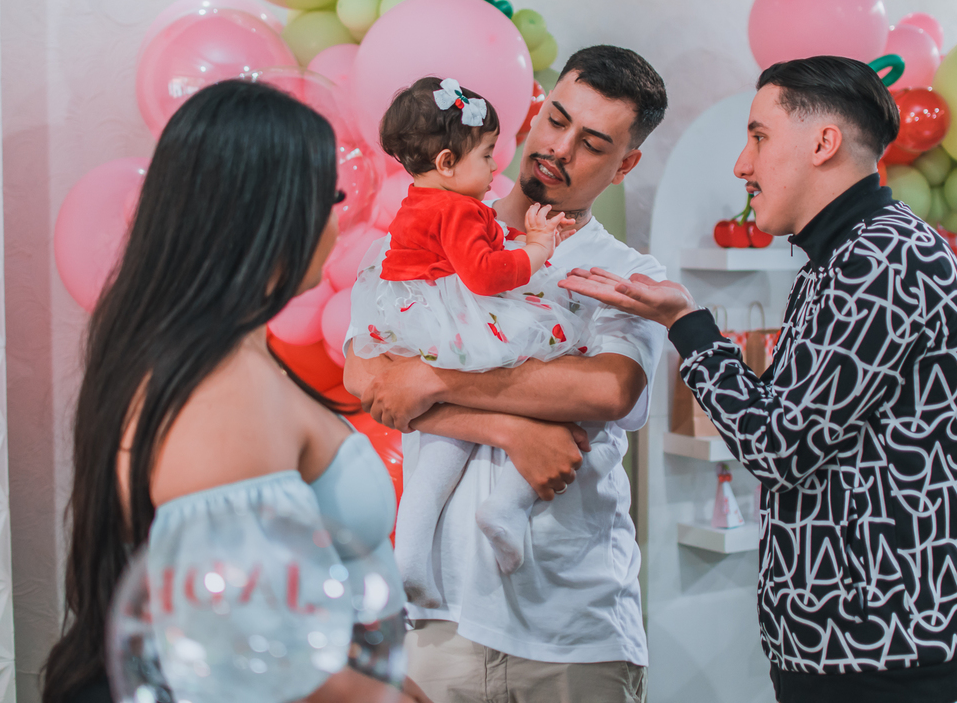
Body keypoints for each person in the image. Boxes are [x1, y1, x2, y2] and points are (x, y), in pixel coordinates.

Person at [561, 55, 957, 703]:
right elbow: (795, 426)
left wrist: (688, 324)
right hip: (851, 643)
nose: (742, 165)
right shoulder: (842, 257)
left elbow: (777, 445)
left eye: (758, 136)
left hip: (881, 649)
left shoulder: (881, 260)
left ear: (824, 142)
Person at [40, 80, 427, 703]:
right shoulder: (221, 389)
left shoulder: (212, 359)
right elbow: (242, 652)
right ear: (270, 213)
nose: (337, 219)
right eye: (329, 197)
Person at [344, 46, 668, 703]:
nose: (560, 147)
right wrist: (512, 431)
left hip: (576, 632)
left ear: (625, 164)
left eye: (593, 142)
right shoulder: (427, 228)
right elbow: (368, 375)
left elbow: (606, 388)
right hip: (437, 623)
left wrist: (436, 382)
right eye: (555, 119)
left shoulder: (633, 275)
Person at [349, 76, 585, 605]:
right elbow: (483, 275)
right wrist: (539, 248)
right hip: (456, 317)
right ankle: (507, 503)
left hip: (418, 320)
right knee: (556, 362)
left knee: (438, 451)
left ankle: (409, 557)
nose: (497, 166)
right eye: (486, 155)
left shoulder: (421, 202)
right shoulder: (456, 209)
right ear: (449, 163)